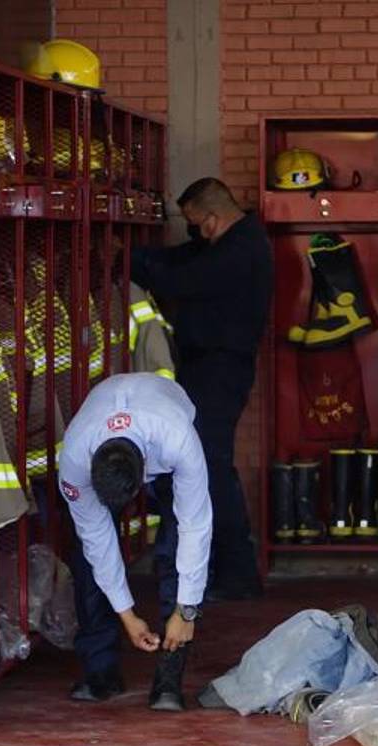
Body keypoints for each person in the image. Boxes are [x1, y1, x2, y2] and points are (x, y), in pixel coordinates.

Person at [131, 178, 272, 601]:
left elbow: (180, 280)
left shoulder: (241, 251)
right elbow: (180, 258)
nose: (194, 232)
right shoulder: (231, 243)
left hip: (220, 369)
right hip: (208, 368)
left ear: (211, 219)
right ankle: (224, 571)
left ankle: (236, 575)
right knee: (206, 465)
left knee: (210, 466)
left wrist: (131, 265)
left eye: (195, 224)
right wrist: (136, 258)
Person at [59, 372, 211, 711]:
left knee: (174, 548)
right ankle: (100, 671)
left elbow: (195, 527)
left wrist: (187, 609)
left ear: (143, 473)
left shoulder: (177, 439)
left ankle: (169, 676)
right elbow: (97, 540)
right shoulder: (74, 458)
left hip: (167, 414)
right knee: (86, 556)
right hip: (106, 415)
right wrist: (127, 615)